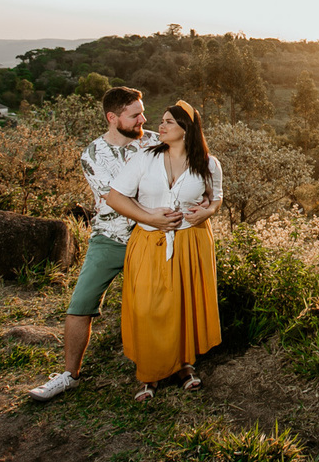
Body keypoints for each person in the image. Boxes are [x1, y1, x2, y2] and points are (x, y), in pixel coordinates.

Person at [28, 86, 182, 401]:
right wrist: (151, 217)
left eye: (142, 112)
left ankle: (173, 365)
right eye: (135, 115)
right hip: (111, 237)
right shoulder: (93, 155)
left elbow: (186, 167)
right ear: (113, 118)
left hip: (154, 238)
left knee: (162, 303)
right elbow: (115, 198)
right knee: (80, 304)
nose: (143, 119)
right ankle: (69, 375)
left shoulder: (156, 141)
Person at [105, 99, 223, 401]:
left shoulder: (208, 163)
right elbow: (115, 198)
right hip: (149, 241)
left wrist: (207, 212)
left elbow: (216, 198)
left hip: (191, 241)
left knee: (184, 304)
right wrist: (149, 218)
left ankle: (184, 365)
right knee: (147, 306)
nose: (161, 125)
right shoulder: (146, 158)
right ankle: (149, 372)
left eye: (169, 121)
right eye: (162, 120)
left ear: (186, 128)